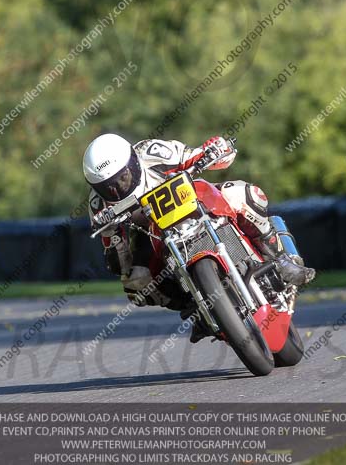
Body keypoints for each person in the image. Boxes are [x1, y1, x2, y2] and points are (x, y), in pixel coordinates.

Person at [82, 133, 315, 342]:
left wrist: (213, 150)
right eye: (107, 187)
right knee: (135, 282)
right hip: (152, 233)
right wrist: (111, 237)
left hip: (194, 201)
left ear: (132, 161)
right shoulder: (98, 206)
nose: (116, 190)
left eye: (122, 178)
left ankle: (281, 259)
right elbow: (118, 260)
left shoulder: (151, 152)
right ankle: (196, 309)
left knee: (245, 195)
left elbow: (194, 156)